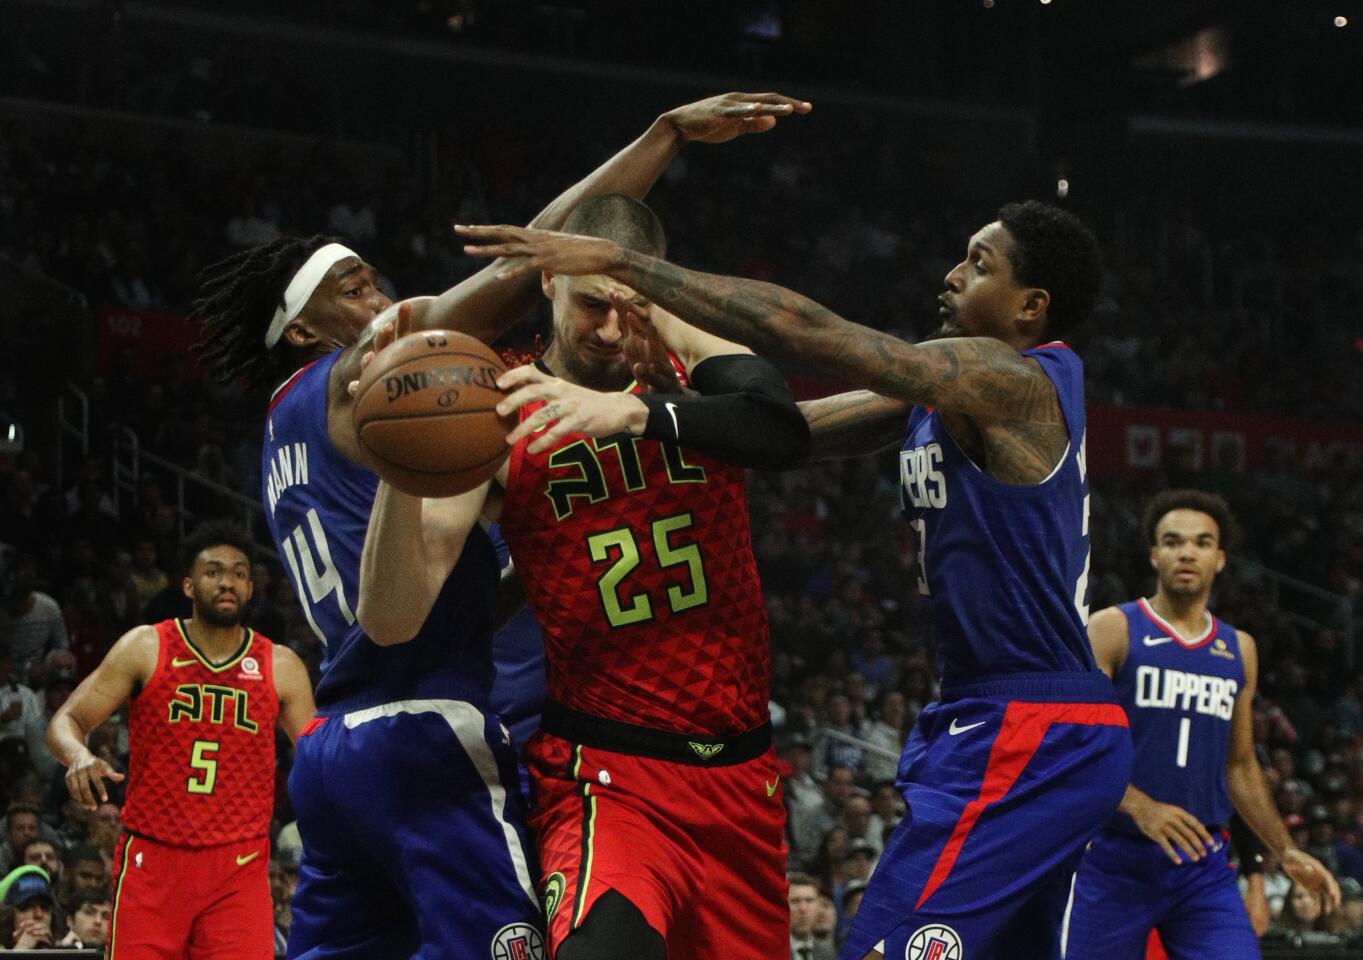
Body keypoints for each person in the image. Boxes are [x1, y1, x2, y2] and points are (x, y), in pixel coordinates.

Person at [192, 92, 808, 960]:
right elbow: (519, 267)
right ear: (301, 330)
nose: (385, 297)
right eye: (353, 286)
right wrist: (659, 139)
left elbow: (784, 429)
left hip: (341, 740)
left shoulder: (284, 420)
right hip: (433, 726)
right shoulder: (381, 377)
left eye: (374, 277)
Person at [459, 199, 1134, 959]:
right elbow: (782, 433)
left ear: (1029, 307)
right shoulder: (947, 397)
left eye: (979, 264)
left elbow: (812, 334)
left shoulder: (1007, 378)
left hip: (1025, 727)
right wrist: (655, 407)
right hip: (1007, 720)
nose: (950, 276)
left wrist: (629, 272)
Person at [360, 193, 809, 959]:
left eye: (627, 305)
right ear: (548, 282)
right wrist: (401, 462)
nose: (608, 328)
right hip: (610, 777)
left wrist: (646, 367)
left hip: (743, 782)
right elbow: (390, 618)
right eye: (591, 303)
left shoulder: (685, 371)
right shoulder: (495, 407)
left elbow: (780, 427)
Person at [1064, 490, 1340, 959]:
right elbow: (1072, 746)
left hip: (1202, 866)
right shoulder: (1113, 629)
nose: (1186, 552)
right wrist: (1142, 807)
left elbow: (1240, 766)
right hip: (1113, 856)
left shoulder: (1239, 649)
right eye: (1172, 542)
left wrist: (1285, 850)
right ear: (1154, 555)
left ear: (1221, 559)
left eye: (1201, 542)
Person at [46, 521, 315, 959]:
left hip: (239, 863)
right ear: (189, 585)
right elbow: (67, 720)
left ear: (250, 588)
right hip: (153, 857)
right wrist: (78, 755)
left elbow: (318, 759)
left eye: (239, 572)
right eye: (213, 571)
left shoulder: (281, 665)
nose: (227, 581)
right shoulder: (146, 646)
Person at [1, 865, 56, 950]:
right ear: (8, 916)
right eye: (26, 907)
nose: (39, 914)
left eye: (45, 907)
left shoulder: (67, 948)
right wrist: (22, 948)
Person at [790, 873, 837, 960]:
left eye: (809, 900)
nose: (803, 908)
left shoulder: (829, 953)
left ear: (817, 906)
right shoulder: (769, 950)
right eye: (795, 901)